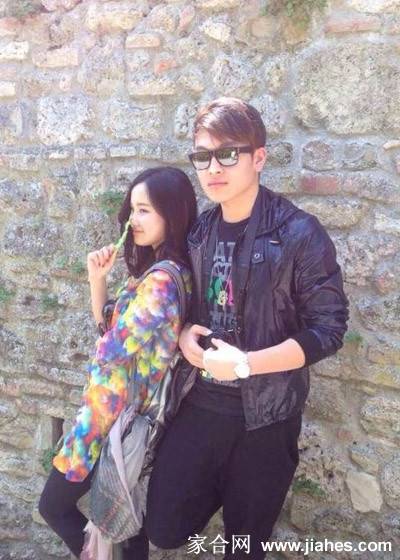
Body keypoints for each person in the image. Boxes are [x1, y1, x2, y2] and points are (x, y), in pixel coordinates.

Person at [143, 98, 349, 559]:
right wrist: (183, 333)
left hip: (266, 419)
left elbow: (329, 329)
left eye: (228, 153)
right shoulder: (199, 232)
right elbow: (184, 304)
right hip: (200, 403)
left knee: (245, 547)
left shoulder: (299, 233)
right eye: (203, 156)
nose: (214, 167)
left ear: (259, 157)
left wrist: (246, 364)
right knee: (164, 526)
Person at [39, 166, 197, 559]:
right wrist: (98, 282)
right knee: (126, 527)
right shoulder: (162, 273)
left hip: (108, 426)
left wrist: (105, 340)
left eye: (144, 210)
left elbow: (109, 349)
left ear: (172, 215)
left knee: (54, 506)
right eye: (131, 210)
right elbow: (110, 333)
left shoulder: (161, 283)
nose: (132, 220)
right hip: (122, 425)